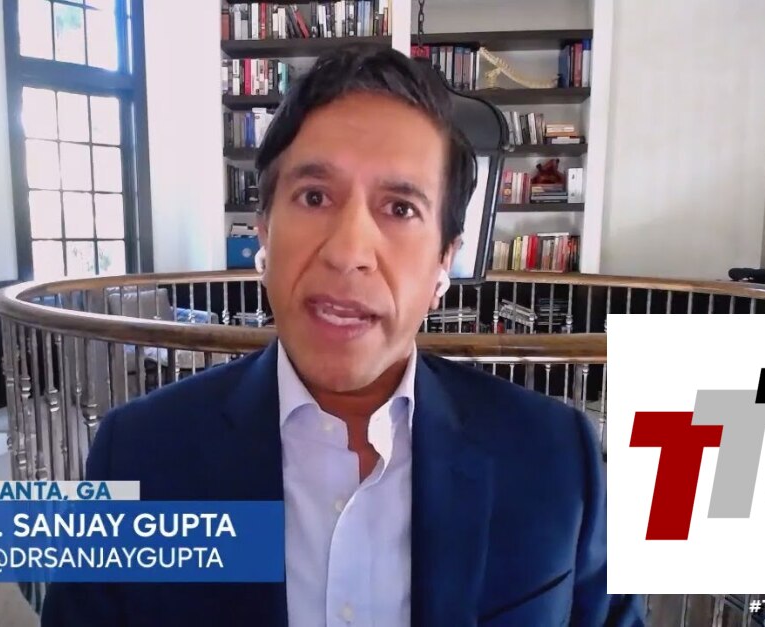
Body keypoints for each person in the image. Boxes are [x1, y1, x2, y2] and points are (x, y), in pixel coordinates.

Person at [42, 45, 644, 627]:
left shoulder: (554, 456)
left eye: (400, 208)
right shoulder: (141, 455)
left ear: (444, 261)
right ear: (264, 231)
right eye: (315, 197)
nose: (349, 251)